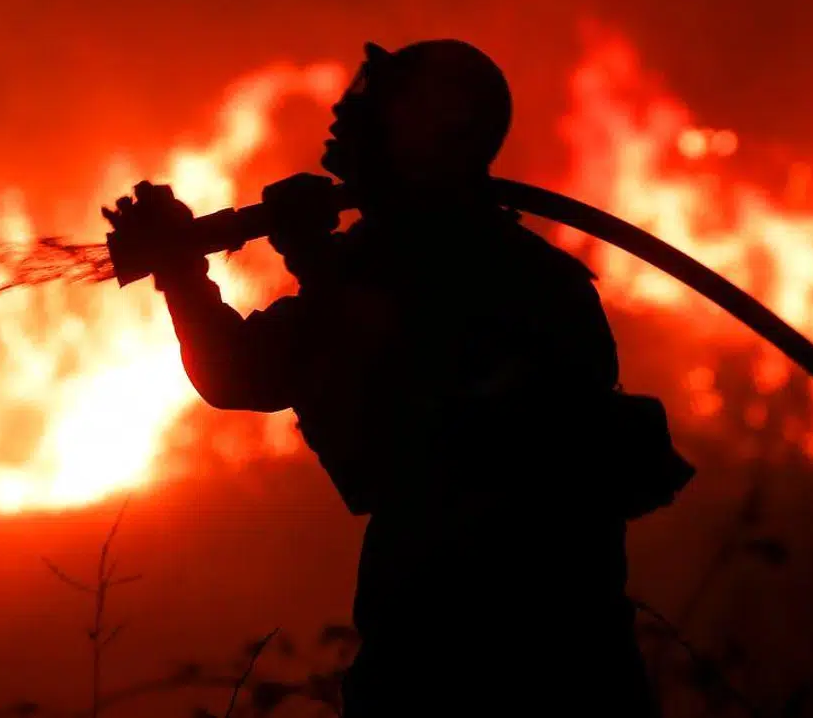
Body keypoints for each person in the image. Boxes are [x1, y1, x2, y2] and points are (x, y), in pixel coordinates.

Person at [103, 40, 693, 716]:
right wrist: (182, 272)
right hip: (446, 657)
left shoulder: (509, 281)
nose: (343, 116)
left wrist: (317, 264)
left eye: (378, 102)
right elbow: (241, 372)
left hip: (507, 666)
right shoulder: (396, 261)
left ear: (434, 131)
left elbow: (425, 404)